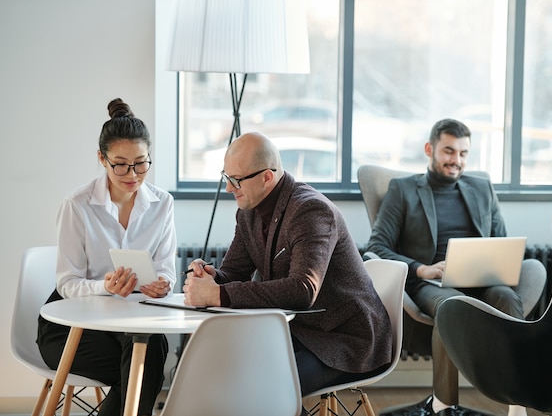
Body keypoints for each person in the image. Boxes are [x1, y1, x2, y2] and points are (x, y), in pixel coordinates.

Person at [183, 131, 392, 404]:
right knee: (223, 373)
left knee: (265, 388)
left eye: (235, 180)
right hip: (296, 333)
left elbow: (303, 290)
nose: (228, 189)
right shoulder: (248, 212)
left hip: (344, 340)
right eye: (226, 177)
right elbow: (233, 272)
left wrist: (219, 295)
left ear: (267, 177)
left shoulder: (311, 211)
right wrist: (212, 277)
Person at [366, 118, 545, 416]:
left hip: (481, 279)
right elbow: (377, 248)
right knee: (452, 306)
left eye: (463, 153)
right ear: (430, 149)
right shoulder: (403, 190)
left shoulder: (481, 188)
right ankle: (444, 405)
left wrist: (498, 264)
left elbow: (500, 241)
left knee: (507, 297)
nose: (456, 161)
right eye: (449, 151)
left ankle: (517, 404)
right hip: (431, 285)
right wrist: (422, 269)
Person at [37, 98, 176, 416]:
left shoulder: (162, 204)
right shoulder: (78, 205)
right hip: (71, 326)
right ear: (101, 159)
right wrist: (105, 286)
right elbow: (68, 282)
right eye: (120, 164)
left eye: (141, 163)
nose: (133, 174)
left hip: (131, 322)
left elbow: (166, 267)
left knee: (147, 352)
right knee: (141, 371)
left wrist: (162, 284)